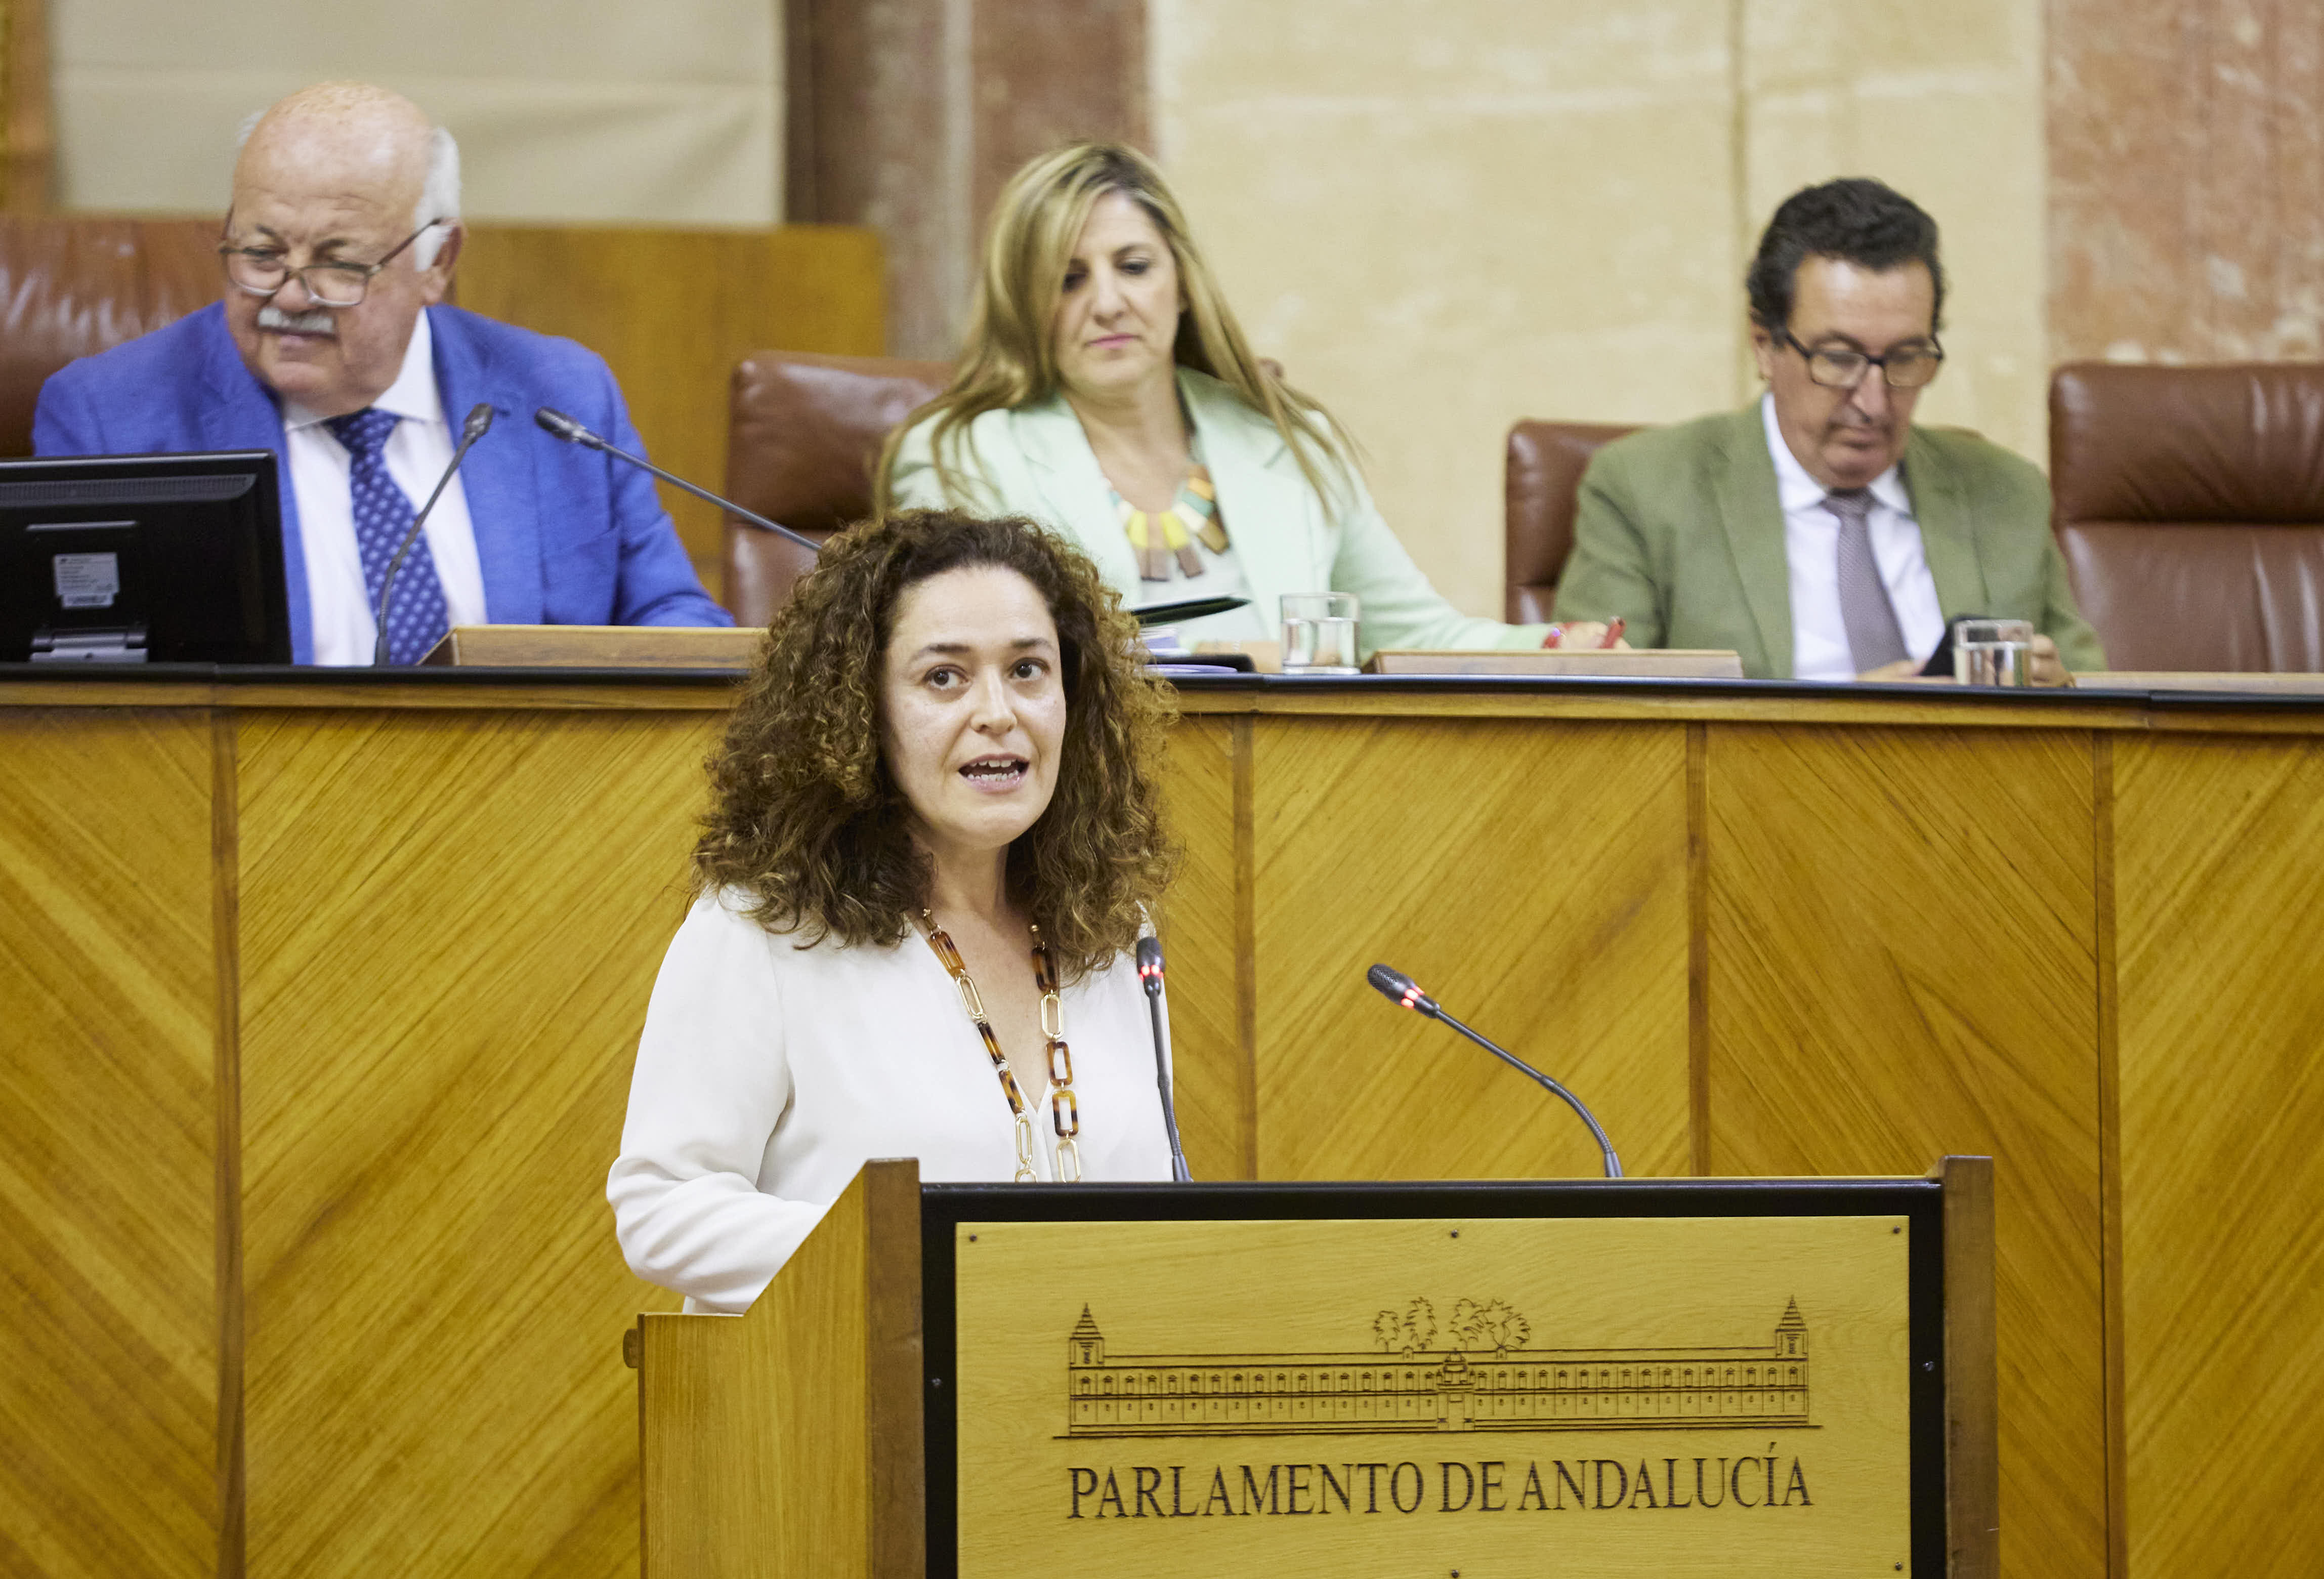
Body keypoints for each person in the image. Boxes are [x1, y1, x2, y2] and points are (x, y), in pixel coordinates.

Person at [609, 509, 1179, 1312]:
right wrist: (931, 1260)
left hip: (1071, 1409)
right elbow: (664, 1210)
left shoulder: (1114, 931)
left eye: (1028, 670)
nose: (997, 712)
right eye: (944, 677)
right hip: (843, 1409)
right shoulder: (764, 927)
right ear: (860, 712)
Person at [33, 82, 729, 666]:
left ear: (438, 262)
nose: (292, 296)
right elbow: (89, 699)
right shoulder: (110, 418)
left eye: (340, 263)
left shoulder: (563, 396)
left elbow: (674, 618)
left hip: (532, 804)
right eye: (261, 253)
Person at [879, 142, 1602, 661]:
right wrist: (1230, 654)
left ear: (1182, 283)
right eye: (1068, 279)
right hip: (1083, 813)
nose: (1107, 303)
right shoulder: (959, 453)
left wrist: (1551, 643)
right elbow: (984, 662)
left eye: (1134, 267)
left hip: (1299, 783)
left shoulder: (1287, 437)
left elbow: (1411, 633)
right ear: (1023, 302)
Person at [1555, 178, 2104, 685]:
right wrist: (1839, 725)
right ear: (1764, 346)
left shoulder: (2006, 492)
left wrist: (2066, 694)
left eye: (1906, 357)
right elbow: (1610, 729)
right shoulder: (1645, 489)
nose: (1873, 401)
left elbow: (2106, 704)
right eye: (1838, 359)